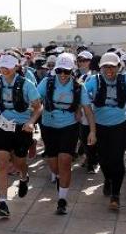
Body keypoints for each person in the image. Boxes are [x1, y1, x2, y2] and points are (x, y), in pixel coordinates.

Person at [0, 53, 42, 217]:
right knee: (1, 162)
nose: (4, 69)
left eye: (8, 66)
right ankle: (2, 202)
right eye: (2, 66)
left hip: (22, 128)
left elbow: (38, 107)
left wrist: (31, 122)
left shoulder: (27, 84)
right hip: (3, 126)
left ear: (16, 67)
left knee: (19, 162)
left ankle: (24, 177)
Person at [84, 52, 126, 211]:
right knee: (104, 160)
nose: (109, 70)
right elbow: (82, 97)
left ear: (119, 67)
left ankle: (115, 195)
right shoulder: (93, 81)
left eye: (112, 66)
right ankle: (108, 180)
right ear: (100, 68)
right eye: (105, 66)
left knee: (117, 159)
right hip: (100, 126)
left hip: (119, 126)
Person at [37, 53, 96, 215]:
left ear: (72, 71)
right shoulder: (47, 83)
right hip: (49, 126)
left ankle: (62, 199)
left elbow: (88, 111)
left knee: (65, 161)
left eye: (67, 71)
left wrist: (92, 131)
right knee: (54, 164)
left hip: (69, 127)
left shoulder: (78, 87)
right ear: (55, 70)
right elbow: (35, 101)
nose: (63, 75)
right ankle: (56, 176)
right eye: (60, 71)